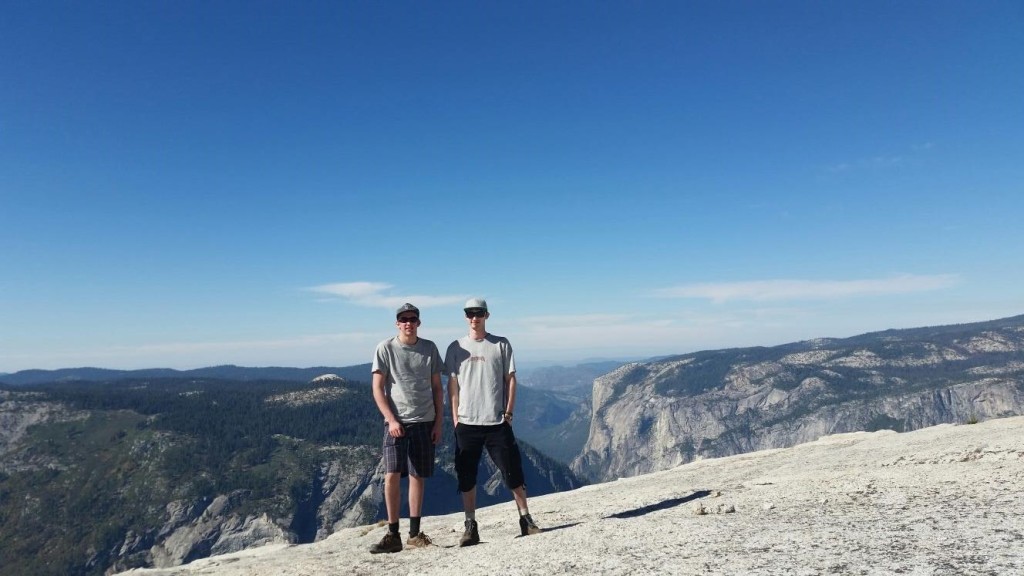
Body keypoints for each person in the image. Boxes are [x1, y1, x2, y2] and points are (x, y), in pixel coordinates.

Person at [444, 297, 542, 546]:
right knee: (466, 476)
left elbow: (510, 379)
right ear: (465, 317)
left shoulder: (501, 344)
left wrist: (509, 413)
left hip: (497, 422)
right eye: (469, 313)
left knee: (513, 472)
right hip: (467, 423)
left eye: (478, 313)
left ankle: (526, 519)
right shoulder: (455, 347)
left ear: (487, 315)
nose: (474, 317)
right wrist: (455, 418)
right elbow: (452, 385)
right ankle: (470, 526)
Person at [368, 303, 444, 554]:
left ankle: (413, 533)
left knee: (417, 476)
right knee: (391, 475)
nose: (408, 322)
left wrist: (438, 421)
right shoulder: (385, 348)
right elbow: (377, 388)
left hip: (424, 420)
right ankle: (392, 533)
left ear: (418, 322)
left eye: (412, 318)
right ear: (397, 323)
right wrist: (390, 419)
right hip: (396, 422)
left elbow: (437, 388)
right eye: (404, 319)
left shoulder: (429, 348)